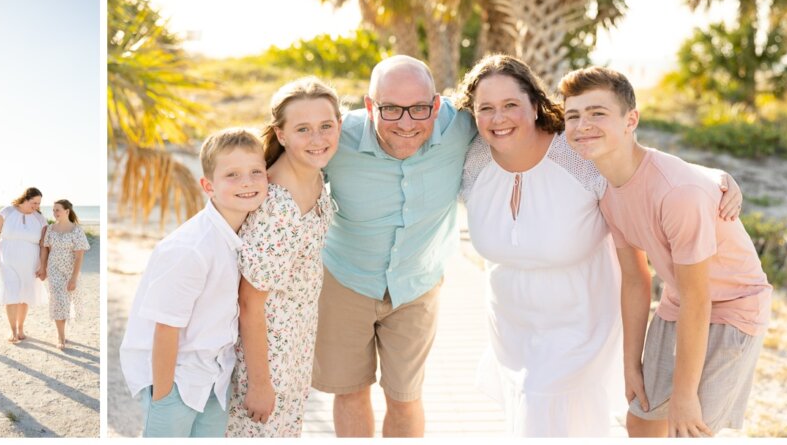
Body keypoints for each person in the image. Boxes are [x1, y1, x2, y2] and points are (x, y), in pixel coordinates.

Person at [455, 55, 744, 436]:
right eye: (486, 108)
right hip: (511, 328)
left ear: (536, 104)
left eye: (511, 105)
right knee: (540, 417)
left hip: (579, 320)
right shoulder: (469, 158)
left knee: (542, 417)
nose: (499, 118)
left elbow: (639, 164)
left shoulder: (577, 154)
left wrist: (713, 178)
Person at [559, 67, 771, 438]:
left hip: (733, 306)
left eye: (597, 113)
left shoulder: (677, 193)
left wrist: (685, 395)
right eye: (573, 115)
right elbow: (636, 281)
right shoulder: (608, 191)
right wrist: (631, 365)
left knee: (687, 427)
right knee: (641, 419)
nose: (582, 125)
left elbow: (699, 297)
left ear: (631, 120)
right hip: (680, 303)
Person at [312, 55, 476, 437]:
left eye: (419, 109)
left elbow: (520, 127)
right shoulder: (336, 136)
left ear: (436, 104)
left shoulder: (463, 125)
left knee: (405, 396)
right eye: (390, 109)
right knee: (350, 392)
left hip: (417, 284)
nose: (406, 123)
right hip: (344, 279)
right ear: (370, 106)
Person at [120, 128, 268, 437]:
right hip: (175, 378)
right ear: (208, 186)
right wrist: (162, 398)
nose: (247, 182)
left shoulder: (244, 235)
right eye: (233, 175)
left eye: (256, 171)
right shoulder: (191, 248)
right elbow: (165, 328)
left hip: (215, 376)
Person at [226, 77, 340, 437]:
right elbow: (249, 301)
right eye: (303, 129)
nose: (317, 139)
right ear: (282, 134)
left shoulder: (317, 180)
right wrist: (259, 384)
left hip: (296, 348)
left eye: (326, 126)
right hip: (265, 358)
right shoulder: (276, 205)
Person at [0, 187, 47, 343]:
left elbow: (43, 245)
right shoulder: (7, 212)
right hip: (7, 259)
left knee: (25, 294)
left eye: (39, 203)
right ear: (25, 199)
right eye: (34, 202)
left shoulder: (40, 219)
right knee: (11, 293)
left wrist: (43, 265)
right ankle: (12, 330)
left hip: (31, 261)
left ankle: (20, 328)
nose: (36, 206)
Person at [41, 199, 90, 350]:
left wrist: (74, 278)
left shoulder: (76, 230)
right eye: (53, 210)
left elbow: (79, 255)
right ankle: (60, 336)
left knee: (67, 301)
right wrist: (43, 268)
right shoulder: (50, 229)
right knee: (58, 300)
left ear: (67, 211)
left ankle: (62, 334)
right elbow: (45, 249)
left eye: (58, 210)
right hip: (54, 268)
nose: (55, 213)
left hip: (70, 270)